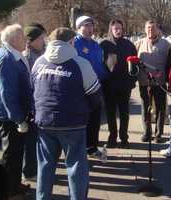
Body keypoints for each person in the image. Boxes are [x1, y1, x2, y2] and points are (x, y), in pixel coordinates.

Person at [31, 27, 102, 200]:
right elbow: (95, 96)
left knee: (45, 167)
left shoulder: (39, 62)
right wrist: (85, 111)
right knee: (76, 168)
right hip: (73, 124)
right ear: (71, 42)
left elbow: (32, 90)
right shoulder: (81, 64)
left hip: (44, 123)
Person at [0, 24, 33, 200]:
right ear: (14, 39)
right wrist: (19, 120)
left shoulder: (13, 55)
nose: (26, 40)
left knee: (16, 153)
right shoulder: (6, 59)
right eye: (23, 37)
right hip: (9, 117)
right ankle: (8, 191)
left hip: (14, 115)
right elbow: (8, 94)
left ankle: (14, 184)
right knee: (11, 155)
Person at [100, 19, 137, 148]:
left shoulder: (129, 45)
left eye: (120, 28)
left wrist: (133, 81)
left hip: (124, 85)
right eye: (115, 28)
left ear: (123, 29)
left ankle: (124, 138)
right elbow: (100, 65)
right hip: (108, 85)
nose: (118, 30)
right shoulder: (104, 45)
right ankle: (112, 138)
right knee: (110, 113)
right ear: (111, 29)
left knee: (124, 113)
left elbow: (135, 65)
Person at [74, 15, 107, 160]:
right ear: (79, 27)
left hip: (96, 87)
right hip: (80, 89)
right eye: (86, 25)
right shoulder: (74, 43)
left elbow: (99, 64)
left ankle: (92, 147)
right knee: (82, 121)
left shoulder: (96, 45)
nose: (89, 28)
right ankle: (79, 150)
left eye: (91, 25)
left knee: (95, 120)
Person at [135, 20, 171, 143]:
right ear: (145, 29)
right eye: (148, 28)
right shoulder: (138, 43)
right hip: (144, 82)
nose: (150, 30)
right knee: (145, 108)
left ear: (157, 29)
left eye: (153, 28)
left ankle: (158, 134)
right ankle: (147, 132)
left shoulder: (166, 44)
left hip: (160, 82)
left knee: (161, 108)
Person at [22, 23, 46, 181]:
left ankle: (36, 167)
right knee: (30, 141)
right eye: (41, 38)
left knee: (37, 139)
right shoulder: (27, 57)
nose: (44, 41)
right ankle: (29, 172)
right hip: (32, 105)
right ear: (31, 41)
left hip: (39, 103)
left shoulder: (41, 53)